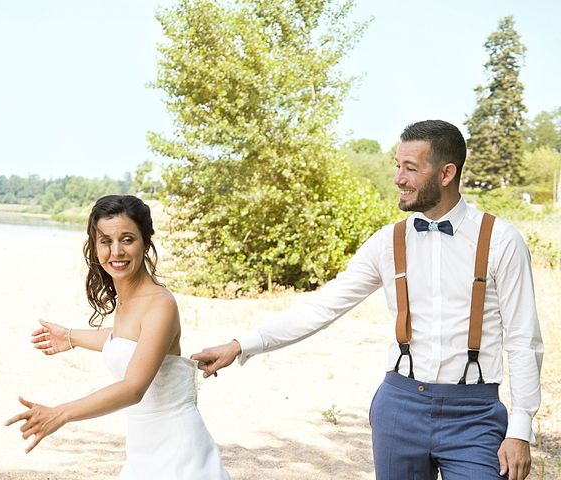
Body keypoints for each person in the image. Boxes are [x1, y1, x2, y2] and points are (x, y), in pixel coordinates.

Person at [192, 120, 543, 480]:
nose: (398, 178)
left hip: (475, 414)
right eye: (397, 166)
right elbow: (324, 306)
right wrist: (242, 344)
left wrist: (520, 429)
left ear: (446, 173)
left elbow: (523, 339)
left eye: (410, 168)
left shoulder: (501, 240)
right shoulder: (388, 242)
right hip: (400, 407)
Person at [5, 195, 229, 480]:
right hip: (143, 448)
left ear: (146, 242)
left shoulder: (160, 304)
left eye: (127, 239)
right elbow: (125, 340)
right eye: (105, 241)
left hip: (178, 452)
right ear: (95, 247)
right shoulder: (129, 298)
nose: (116, 252)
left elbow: (134, 388)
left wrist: (60, 414)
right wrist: (70, 337)